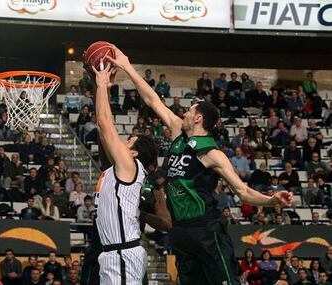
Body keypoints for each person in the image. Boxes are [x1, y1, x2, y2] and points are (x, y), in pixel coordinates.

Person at [107, 46, 293, 285]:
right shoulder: (177, 133)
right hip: (180, 232)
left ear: (198, 119)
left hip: (206, 230)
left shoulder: (213, 153)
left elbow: (243, 192)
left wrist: (272, 200)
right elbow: (152, 99)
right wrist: (126, 66)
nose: (183, 113)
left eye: (189, 111)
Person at [89, 61, 158, 285]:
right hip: (113, 254)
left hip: (122, 253)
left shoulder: (130, 166)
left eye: (129, 140)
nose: (124, 140)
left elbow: (104, 124)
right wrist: (104, 88)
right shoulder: (118, 168)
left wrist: (101, 84)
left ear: (134, 153)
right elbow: (104, 123)